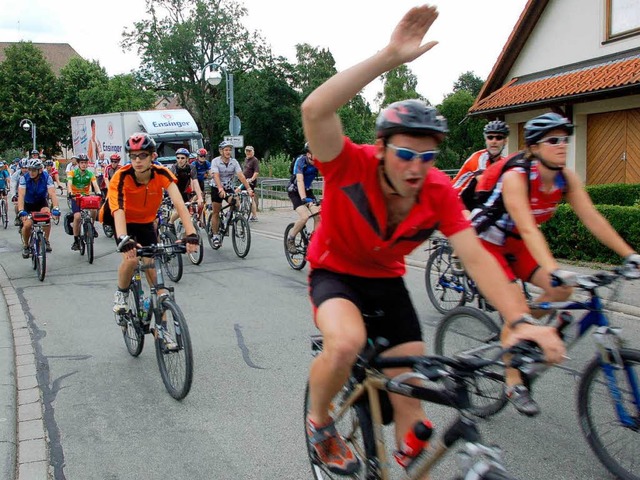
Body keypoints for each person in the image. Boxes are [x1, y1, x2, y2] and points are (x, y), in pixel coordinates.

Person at [300, 5, 566, 475]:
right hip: (335, 272)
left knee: (414, 405)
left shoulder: (438, 190)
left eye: (427, 156)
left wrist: (520, 319)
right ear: (381, 149)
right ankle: (320, 425)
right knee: (345, 344)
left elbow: (477, 256)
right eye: (404, 153)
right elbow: (316, 109)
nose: (416, 167)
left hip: (387, 280)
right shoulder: (349, 165)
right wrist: (389, 57)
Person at [470, 111, 640, 416]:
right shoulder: (516, 176)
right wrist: (554, 269)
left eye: (565, 139)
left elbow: (593, 218)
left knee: (561, 293)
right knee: (521, 308)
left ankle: (522, 324)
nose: (562, 145)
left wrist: (629, 255)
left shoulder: (566, 178)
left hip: (518, 246)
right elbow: (527, 227)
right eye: (553, 140)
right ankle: (513, 381)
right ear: (534, 147)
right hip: (487, 244)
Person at [106, 133, 198, 323]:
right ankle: (122, 294)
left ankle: (163, 334)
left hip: (146, 222)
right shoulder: (121, 177)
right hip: (124, 221)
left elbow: (179, 204)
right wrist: (123, 238)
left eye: (143, 156)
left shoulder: (162, 173)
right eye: (133, 156)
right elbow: (118, 209)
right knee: (131, 260)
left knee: (157, 280)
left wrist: (191, 234)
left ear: (152, 156)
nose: (138, 161)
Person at [451, 120, 509, 211]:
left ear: (505, 141)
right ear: (486, 140)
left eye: (499, 138)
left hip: (473, 202)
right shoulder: (479, 157)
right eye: (490, 137)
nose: (494, 141)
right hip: (455, 199)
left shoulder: (504, 162)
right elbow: (485, 185)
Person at [208, 141, 255, 248]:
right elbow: (216, 175)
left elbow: (241, 176)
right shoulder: (215, 161)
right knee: (216, 211)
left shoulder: (234, 162)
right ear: (221, 151)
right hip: (216, 187)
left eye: (229, 150)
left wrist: (248, 189)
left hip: (228, 187)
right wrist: (220, 188)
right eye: (226, 150)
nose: (228, 152)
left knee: (236, 202)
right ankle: (215, 235)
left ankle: (228, 217)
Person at [17, 159, 60, 256]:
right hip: (28, 204)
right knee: (27, 225)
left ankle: (46, 240)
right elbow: (21, 195)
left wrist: (56, 208)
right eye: (29, 170)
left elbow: (52, 193)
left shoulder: (47, 177)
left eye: (33, 170)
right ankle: (26, 245)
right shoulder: (24, 178)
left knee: (47, 218)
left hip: (41, 202)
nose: (31, 172)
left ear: (40, 170)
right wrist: (21, 210)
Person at [285, 143, 320, 254]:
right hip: (295, 191)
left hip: (308, 191)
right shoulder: (300, 161)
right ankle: (291, 239)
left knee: (318, 216)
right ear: (308, 154)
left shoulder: (319, 162)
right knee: (304, 216)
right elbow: (300, 180)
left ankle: (314, 241)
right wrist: (304, 199)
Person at [67, 154, 102, 250]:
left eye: (85, 163)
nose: (84, 165)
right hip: (75, 197)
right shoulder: (72, 173)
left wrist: (98, 193)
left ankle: (92, 226)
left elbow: (95, 184)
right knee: (77, 217)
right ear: (78, 163)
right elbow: (69, 184)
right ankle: (75, 240)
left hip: (86, 197)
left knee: (94, 210)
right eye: (82, 163)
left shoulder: (90, 174)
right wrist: (70, 193)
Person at [169, 148, 203, 228]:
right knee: (180, 211)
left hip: (184, 192)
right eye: (178, 158)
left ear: (187, 159)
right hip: (174, 191)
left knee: (188, 214)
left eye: (182, 158)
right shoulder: (174, 168)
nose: (180, 160)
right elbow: (170, 184)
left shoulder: (191, 168)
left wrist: (200, 197)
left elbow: (195, 182)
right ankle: (170, 222)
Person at [242, 146, 260, 221]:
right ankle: (242, 209)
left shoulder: (254, 160)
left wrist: (251, 179)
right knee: (239, 194)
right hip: (244, 181)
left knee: (251, 198)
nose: (248, 153)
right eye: (247, 151)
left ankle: (254, 216)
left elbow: (256, 172)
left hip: (250, 183)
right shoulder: (246, 159)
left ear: (253, 152)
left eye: (250, 151)